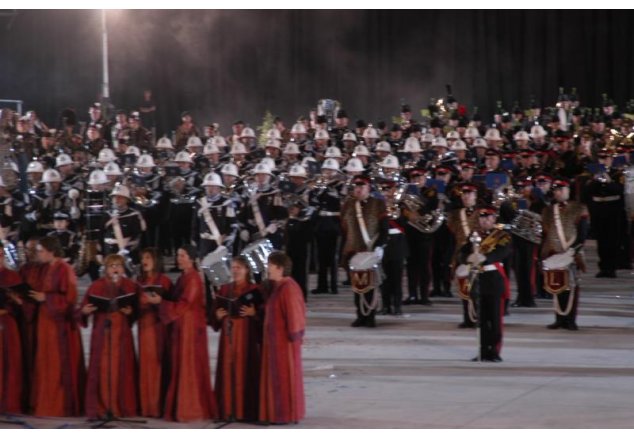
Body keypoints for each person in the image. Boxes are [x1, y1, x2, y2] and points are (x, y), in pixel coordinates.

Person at [148, 245, 217, 422]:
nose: (179, 258)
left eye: (183, 255)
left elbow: (183, 305)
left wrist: (161, 302)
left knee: (188, 367)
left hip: (190, 329)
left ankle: (190, 409)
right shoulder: (183, 277)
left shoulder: (193, 279)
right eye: (178, 255)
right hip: (182, 328)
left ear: (192, 258)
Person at [30, 236, 85, 416]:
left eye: (41, 250)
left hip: (58, 325)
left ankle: (58, 405)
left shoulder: (64, 268)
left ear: (51, 250)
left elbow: (70, 299)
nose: (38, 254)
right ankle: (45, 402)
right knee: (45, 362)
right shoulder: (46, 268)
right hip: (45, 323)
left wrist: (46, 298)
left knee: (56, 363)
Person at [79, 253, 139, 419]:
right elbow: (83, 308)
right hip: (102, 333)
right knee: (103, 369)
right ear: (105, 269)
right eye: (111, 265)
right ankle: (102, 406)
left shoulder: (129, 285)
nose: (115, 269)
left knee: (121, 368)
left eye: (118, 265)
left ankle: (119, 406)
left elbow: (136, 312)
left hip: (122, 334)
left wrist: (131, 312)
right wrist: (84, 311)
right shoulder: (96, 285)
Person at [210, 256, 262, 422]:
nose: (235, 270)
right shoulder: (225, 289)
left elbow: (264, 312)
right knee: (228, 369)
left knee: (244, 370)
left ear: (247, 270)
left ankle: (243, 411)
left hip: (246, 335)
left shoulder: (255, 289)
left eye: (239, 267)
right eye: (233, 267)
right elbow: (213, 313)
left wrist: (254, 313)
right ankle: (227, 409)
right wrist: (217, 316)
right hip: (228, 336)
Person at [457, 206, 512, 362]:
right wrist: (466, 259)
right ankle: (482, 350)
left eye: (489, 218)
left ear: (494, 219)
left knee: (495, 319)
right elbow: (462, 253)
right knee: (481, 318)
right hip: (477, 279)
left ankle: (494, 351)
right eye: (482, 218)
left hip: (493, 279)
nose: (485, 220)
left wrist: (484, 258)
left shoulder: (502, 235)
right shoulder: (473, 236)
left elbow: (503, 252)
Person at [259, 251, 306, 425]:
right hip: (275, 342)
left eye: (270, 265)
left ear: (280, 268)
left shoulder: (289, 288)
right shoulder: (278, 286)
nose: (267, 269)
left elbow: (294, 315)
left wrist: (294, 337)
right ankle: (277, 413)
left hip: (283, 344)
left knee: (284, 379)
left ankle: (284, 414)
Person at [340, 175, 388, 328]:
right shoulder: (348, 205)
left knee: (370, 286)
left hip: (370, 249)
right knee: (357, 286)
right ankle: (360, 315)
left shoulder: (378, 204)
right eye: (356, 187)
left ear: (368, 188)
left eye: (362, 187)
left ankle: (370, 316)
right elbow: (344, 229)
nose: (358, 190)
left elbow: (384, 228)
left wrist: (380, 246)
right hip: (352, 250)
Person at [541, 179, 589, 330]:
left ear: (568, 190)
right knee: (556, 286)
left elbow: (582, 233)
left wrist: (573, 250)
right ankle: (559, 318)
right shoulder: (548, 210)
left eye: (561, 189)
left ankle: (570, 319)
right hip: (553, 253)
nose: (558, 192)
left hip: (572, 252)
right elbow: (545, 234)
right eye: (556, 190)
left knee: (572, 287)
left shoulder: (579, 208)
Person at [136, 248, 172, 417]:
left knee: (157, 364)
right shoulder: (139, 281)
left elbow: (172, 304)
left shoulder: (164, 280)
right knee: (145, 365)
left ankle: (157, 406)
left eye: (148, 257)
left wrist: (159, 301)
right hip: (143, 327)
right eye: (143, 257)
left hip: (157, 327)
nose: (145, 260)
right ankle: (145, 406)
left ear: (155, 260)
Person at [0, 243, 24, 414]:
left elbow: (23, 306)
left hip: (7, 324)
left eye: (0, 254)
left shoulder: (12, 276)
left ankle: (8, 404)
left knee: (10, 363)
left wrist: (16, 300)